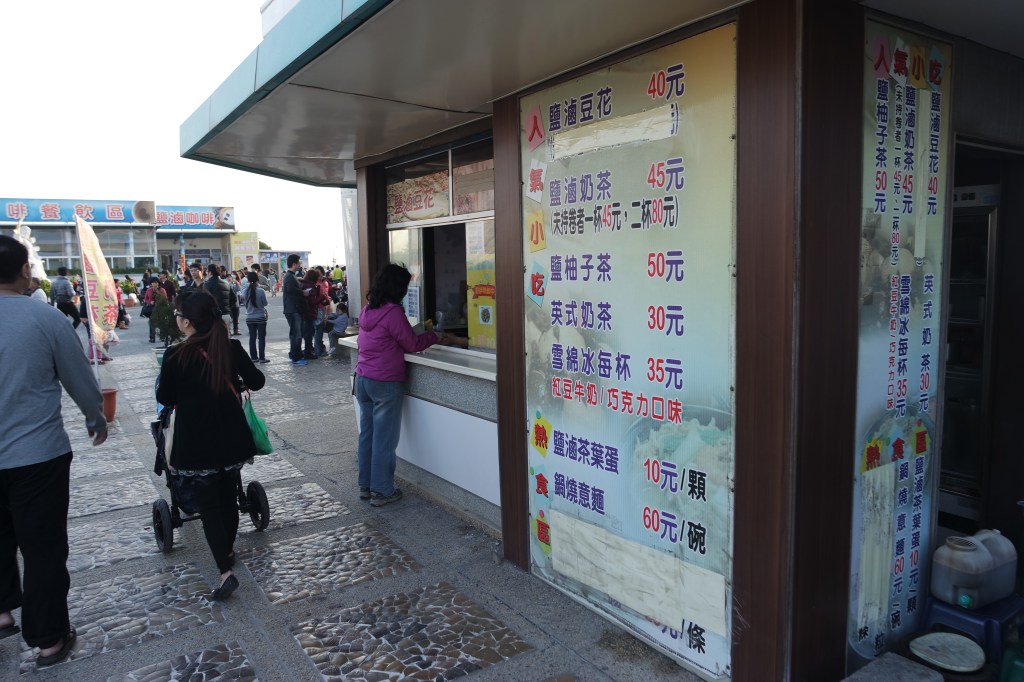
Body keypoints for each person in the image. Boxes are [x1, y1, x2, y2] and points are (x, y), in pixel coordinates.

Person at [0, 235, 107, 667]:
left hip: (31, 455)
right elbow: (78, 376)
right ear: (25, 270)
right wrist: (95, 417)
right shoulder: (45, 318)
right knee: (42, 547)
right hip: (37, 456)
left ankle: (2, 612)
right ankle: (48, 640)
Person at [155, 290, 265, 600]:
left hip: (196, 444)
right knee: (228, 497)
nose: (177, 319)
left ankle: (225, 571)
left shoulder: (175, 355)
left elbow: (165, 397)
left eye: (178, 315)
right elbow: (257, 381)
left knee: (210, 509)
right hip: (232, 439)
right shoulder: (230, 347)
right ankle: (227, 552)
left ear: (187, 322)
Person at [355, 264, 452, 507]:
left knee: (368, 435)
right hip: (385, 382)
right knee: (384, 440)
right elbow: (411, 344)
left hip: (363, 379)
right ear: (397, 288)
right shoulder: (393, 313)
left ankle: (366, 485)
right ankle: (382, 491)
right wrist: (434, 336)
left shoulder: (368, 310)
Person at [281, 255, 307, 365]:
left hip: (293, 309)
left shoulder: (291, 276)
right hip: (293, 309)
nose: (300, 265)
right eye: (299, 263)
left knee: (295, 333)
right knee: (296, 334)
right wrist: (303, 292)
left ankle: (294, 354)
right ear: (294, 264)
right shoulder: (289, 276)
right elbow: (290, 289)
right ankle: (296, 358)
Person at [242, 271, 270, 364]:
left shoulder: (245, 291)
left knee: (252, 338)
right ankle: (262, 358)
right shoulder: (260, 291)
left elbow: (244, 303)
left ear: (248, 280)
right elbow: (265, 303)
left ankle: (254, 358)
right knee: (261, 338)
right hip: (260, 317)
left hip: (249, 318)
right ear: (257, 280)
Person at [300, 269, 323, 359]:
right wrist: (322, 297)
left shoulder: (302, 284)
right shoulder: (311, 286)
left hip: (302, 311)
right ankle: (308, 353)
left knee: (305, 333)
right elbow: (313, 301)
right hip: (309, 312)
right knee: (309, 334)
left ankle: (306, 351)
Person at [227, 270, 242, 336]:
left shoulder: (234, 284)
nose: (229, 278)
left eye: (230, 277)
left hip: (236, 303)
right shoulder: (225, 284)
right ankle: (229, 331)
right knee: (230, 318)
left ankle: (236, 330)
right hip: (228, 303)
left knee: (236, 318)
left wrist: (236, 283)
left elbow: (239, 289)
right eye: (228, 277)